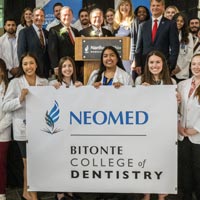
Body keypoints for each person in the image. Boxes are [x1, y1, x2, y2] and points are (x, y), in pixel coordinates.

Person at [2, 53, 48, 200]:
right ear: (21, 66)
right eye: (25, 64)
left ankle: (25, 193)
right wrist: (20, 99)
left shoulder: (44, 82)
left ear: (36, 65)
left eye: (31, 63)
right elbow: (5, 106)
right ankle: (32, 195)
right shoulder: (16, 83)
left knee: (34, 162)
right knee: (28, 162)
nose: (29, 67)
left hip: (41, 129)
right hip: (23, 129)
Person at [135, 50, 176, 200]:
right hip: (146, 132)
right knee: (147, 164)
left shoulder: (172, 82)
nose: (154, 65)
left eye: (158, 62)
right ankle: (146, 194)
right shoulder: (140, 81)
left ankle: (161, 195)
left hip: (164, 132)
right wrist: (140, 93)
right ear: (147, 64)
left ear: (163, 64)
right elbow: (135, 108)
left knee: (162, 164)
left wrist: (176, 102)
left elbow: (174, 111)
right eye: (151, 62)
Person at [49, 56, 82, 200]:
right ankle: (60, 192)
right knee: (59, 161)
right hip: (59, 130)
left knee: (72, 160)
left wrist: (83, 90)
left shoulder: (79, 84)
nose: (67, 69)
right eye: (64, 66)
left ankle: (70, 190)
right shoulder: (53, 84)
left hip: (74, 129)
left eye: (70, 66)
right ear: (60, 69)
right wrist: (51, 90)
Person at [135, 0, 179, 75]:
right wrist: (138, 63)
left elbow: (175, 47)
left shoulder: (170, 24)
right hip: (145, 65)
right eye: (153, 5)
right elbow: (139, 47)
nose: (155, 7)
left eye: (158, 5)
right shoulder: (143, 25)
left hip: (163, 65)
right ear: (150, 7)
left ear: (163, 7)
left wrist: (171, 65)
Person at [177, 53, 200, 200]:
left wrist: (196, 129)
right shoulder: (182, 84)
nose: (197, 67)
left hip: (197, 136)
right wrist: (179, 124)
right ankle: (186, 194)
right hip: (183, 134)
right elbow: (177, 108)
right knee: (185, 169)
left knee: (198, 170)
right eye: (194, 64)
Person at [48, 6, 83, 82]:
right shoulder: (54, 30)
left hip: (75, 67)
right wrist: (55, 66)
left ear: (72, 16)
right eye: (64, 15)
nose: (67, 17)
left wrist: (81, 66)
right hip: (62, 68)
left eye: (69, 15)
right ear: (60, 16)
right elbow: (52, 50)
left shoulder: (76, 31)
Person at [17, 7, 50, 79]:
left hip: (45, 73)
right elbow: (21, 54)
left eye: (42, 16)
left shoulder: (47, 33)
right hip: (30, 72)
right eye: (37, 15)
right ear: (32, 17)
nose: (39, 18)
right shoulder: (24, 32)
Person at [113, 0, 137, 74]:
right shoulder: (116, 22)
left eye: (127, 5)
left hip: (128, 58)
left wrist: (135, 60)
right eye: (122, 5)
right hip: (117, 57)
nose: (124, 7)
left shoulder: (134, 21)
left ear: (130, 7)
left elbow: (137, 41)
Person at [0, 59, 11, 200]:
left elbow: (10, 114)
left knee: (0, 164)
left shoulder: (8, 88)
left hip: (2, 133)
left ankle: (1, 192)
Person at [171, 13, 193, 82]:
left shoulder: (188, 35)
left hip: (182, 71)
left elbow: (189, 54)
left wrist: (179, 67)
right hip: (169, 70)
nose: (179, 23)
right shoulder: (167, 33)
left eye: (181, 21)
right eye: (177, 20)